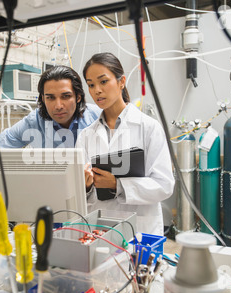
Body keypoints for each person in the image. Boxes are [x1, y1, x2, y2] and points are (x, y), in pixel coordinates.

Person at [75, 52, 175, 236]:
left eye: (103, 81)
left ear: (121, 82)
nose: (96, 90)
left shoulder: (149, 128)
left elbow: (164, 185)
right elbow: (80, 194)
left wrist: (117, 184)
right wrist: (86, 185)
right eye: (91, 84)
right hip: (99, 229)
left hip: (140, 230)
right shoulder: (86, 135)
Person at [0, 65, 102, 189]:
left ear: (78, 97)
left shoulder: (98, 116)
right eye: (50, 98)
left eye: (65, 96)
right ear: (42, 98)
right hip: (54, 194)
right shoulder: (35, 121)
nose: (58, 105)